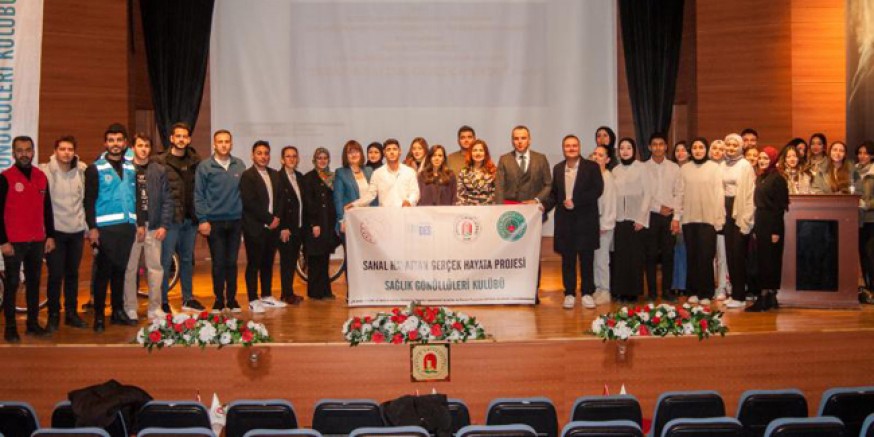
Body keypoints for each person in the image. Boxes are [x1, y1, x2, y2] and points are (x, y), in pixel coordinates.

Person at [1, 136, 55, 342]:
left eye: (28, 150)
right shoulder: (5, 178)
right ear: (13, 153)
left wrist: (50, 235)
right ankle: (10, 328)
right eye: (20, 150)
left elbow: (47, 209)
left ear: (33, 152)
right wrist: (3, 241)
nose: (24, 154)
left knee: (34, 283)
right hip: (13, 242)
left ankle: (32, 324)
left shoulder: (41, 177)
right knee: (12, 284)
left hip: (37, 240)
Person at [85, 124, 137, 331]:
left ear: (125, 143)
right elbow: (88, 201)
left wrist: (138, 224)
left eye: (119, 140)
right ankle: (99, 315)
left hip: (127, 227)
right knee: (103, 273)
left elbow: (134, 197)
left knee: (120, 271)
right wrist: (92, 229)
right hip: (105, 229)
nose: (115, 144)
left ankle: (117, 311)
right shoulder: (95, 168)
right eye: (111, 140)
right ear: (105, 143)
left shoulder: (131, 168)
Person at [540, 135, 603, 309]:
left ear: (579, 147)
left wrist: (576, 201)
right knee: (567, 260)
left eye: (574, 145)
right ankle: (569, 293)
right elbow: (554, 194)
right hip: (565, 222)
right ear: (563, 149)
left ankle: (587, 293)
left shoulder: (592, 167)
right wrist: (543, 207)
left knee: (587, 259)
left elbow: (597, 190)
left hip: (586, 220)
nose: (571, 148)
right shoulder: (558, 168)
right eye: (567, 146)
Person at [153, 122, 204, 313]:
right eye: (178, 136)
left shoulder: (196, 161)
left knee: (187, 260)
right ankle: (163, 301)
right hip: (170, 220)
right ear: (171, 138)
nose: (181, 139)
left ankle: (188, 298)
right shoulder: (160, 162)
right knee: (165, 261)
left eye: (185, 136)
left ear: (189, 139)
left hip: (190, 219)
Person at [123, 134, 173, 321]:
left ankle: (155, 307)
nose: (143, 149)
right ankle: (130, 307)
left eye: (146, 146)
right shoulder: (126, 169)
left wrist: (164, 225)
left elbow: (167, 199)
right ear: (133, 147)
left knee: (155, 268)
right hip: (132, 227)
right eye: (140, 145)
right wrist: (135, 224)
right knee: (130, 268)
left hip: (154, 226)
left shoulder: (158, 170)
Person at [195, 130, 246, 313]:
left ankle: (231, 299)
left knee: (232, 262)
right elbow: (199, 195)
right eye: (220, 142)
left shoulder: (239, 165)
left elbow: (245, 193)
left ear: (231, 144)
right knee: (218, 263)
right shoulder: (205, 166)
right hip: (214, 223)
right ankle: (218, 299)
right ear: (214, 144)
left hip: (235, 221)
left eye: (227, 141)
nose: (224, 145)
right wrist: (203, 220)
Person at [39, 136, 88, 330]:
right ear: (55, 151)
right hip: (55, 233)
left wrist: (86, 227)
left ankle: (71, 313)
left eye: (70, 149)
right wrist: (47, 234)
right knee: (55, 275)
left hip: (76, 232)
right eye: (62, 149)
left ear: (74, 151)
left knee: (72, 275)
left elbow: (85, 201)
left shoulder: (82, 171)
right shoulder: (45, 172)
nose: (66, 153)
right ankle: (53, 315)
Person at [678, 137, 725, 305]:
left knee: (706, 257)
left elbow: (719, 194)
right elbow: (680, 194)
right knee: (692, 256)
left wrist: (719, 219)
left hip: (709, 219)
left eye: (701, 147)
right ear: (691, 151)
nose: (698, 150)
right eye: (695, 147)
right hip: (689, 219)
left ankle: (706, 293)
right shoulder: (685, 169)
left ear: (706, 150)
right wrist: (677, 217)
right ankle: (693, 291)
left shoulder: (714, 168)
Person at [241, 140, 286, 314]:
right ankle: (253, 299)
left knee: (268, 263)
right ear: (252, 155)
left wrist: (277, 218)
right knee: (254, 263)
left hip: (272, 227)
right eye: (259, 153)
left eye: (266, 153)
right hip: (255, 227)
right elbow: (250, 203)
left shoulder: (275, 174)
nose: (263, 156)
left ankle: (267, 295)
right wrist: (268, 219)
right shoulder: (247, 176)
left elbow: (281, 199)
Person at [746, 147, 789, 312]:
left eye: (766, 158)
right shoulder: (761, 177)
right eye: (760, 158)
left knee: (770, 261)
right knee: (763, 260)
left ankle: (764, 297)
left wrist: (776, 231)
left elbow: (779, 207)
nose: (762, 161)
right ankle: (770, 296)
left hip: (772, 223)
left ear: (773, 159)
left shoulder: (778, 179)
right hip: (761, 221)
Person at [642, 132, 682, 302]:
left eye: (661, 144)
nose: (658, 147)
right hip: (650, 215)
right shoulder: (643, 168)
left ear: (666, 147)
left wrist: (676, 217)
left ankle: (667, 290)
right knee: (650, 254)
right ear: (649, 147)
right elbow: (643, 194)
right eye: (654, 144)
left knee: (668, 254)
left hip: (669, 216)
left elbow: (679, 193)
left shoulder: (674, 168)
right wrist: (658, 208)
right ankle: (651, 292)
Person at [611, 137, 652, 303]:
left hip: (636, 220)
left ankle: (633, 291)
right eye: (622, 148)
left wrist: (641, 218)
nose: (625, 151)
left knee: (635, 257)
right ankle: (620, 290)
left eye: (628, 148)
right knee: (620, 257)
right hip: (619, 219)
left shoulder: (642, 168)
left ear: (634, 150)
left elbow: (648, 194)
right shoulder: (615, 170)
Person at [720, 133, 757, 309]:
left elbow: (750, 195)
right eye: (728, 144)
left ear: (741, 147)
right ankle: (735, 293)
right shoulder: (723, 164)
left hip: (739, 210)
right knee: (730, 254)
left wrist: (747, 219)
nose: (731, 148)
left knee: (739, 255)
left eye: (735, 145)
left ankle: (740, 295)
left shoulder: (745, 166)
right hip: (726, 209)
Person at [302, 148, 340, 300]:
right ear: (314, 160)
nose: (322, 160)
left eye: (325, 158)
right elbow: (308, 203)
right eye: (319, 158)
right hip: (315, 225)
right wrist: (314, 223)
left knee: (324, 258)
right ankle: (315, 292)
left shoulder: (332, 177)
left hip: (328, 224)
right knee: (315, 259)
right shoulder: (308, 178)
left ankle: (325, 291)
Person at [351, 139, 420, 207]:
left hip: (405, 211)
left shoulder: (409, 172)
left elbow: (415, 192)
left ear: (400, 152)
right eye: (388, 150)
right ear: (384, 153)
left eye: (395, 149)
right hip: (385, 213)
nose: (392, 152)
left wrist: (409, 201)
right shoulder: (377, 173)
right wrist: (354, 204)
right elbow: (370, 195)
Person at [276, 146, 305, 305]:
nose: (291, 159)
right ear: (282, 159)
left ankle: (289, 292)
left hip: (298, 227)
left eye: (294, 156)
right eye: (288, 156)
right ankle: (286, 294)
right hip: (286, 228)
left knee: (292, 261)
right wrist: (283, 227)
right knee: (286, 262)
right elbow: (278, 205)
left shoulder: (299, 176)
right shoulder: (278, 177)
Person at [495, 125, 552, 205]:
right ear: (512, 141)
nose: (520, 141)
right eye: (516, 138)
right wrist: (500, 208)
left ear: (529, 140)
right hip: (511, 207)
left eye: (523, 138)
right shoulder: (504, 160)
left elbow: (548, 185)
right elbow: (499, 187)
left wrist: (536, 200)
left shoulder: (541, 159)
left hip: (534, 207)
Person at [591, 145, 616, 306]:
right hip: (593, 223)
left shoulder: (608, 177)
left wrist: (605, 224)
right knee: (595, 259)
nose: (596, 157)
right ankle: (598, 288)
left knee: (602, 259)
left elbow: (610, 203)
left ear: (607, 160)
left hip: (604, 224)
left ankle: (605, 290)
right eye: (595, 154)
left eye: (600, 155)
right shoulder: (593, 176)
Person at [335, 140, 376, 234]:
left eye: (356, 151)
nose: (354, 155)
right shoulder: (341, 172)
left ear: (361, 153)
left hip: (369, 219)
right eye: (350, 152)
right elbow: (338, 199)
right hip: (351, 219)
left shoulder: (369, 170)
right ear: (346, 156)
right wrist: (342, 220)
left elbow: (374, 195)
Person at [670, 141, 690, 298]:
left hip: (687, 215)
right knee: (675, 250)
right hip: (671, 213)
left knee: (683, 249)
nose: (680, 153)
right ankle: (675, 284)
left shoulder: (690, 169)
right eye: (677, 150)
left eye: (684, 150)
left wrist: (679, 215)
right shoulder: (672, 168)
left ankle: (683, 284)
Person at [856, 141, 874, 302]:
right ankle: (867, 289)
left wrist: (867, 205)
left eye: (866, 153)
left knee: (870, 254)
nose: (862, 156)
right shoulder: (853, 170)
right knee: (861, 254)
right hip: (856, 220)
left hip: (871, 219)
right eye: (860, 153)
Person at [456, 140, 497, 206]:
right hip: (468, 210)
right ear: (470, 153)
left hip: (488, 209)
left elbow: (496, 194)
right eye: (475, 150)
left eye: (481, 150)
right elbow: (460, 195)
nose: (478, 153)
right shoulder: (464, 172)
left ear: (485, 153)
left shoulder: (492, 171)